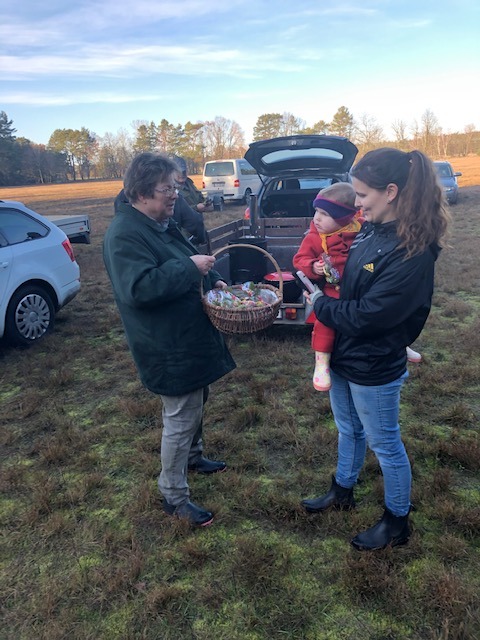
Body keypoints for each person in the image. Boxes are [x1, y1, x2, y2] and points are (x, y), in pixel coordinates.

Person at [301, 148, 449, 551]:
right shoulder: (370, 230)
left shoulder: (411, 251)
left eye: (363, 195)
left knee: (384, 444)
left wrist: (321, 305)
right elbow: (353, 285)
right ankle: (342, 490)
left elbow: (372, 315)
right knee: (348, 429)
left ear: (391, 192)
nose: (358, 204)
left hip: (375, 362)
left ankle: (397, 521)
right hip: (345, 352)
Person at [104, 152, 236, 527]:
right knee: (180, 416)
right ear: (142, 192)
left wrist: (213, 280)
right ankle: (173, 496)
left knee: (197, 399)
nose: (175, 194)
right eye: (167, 188)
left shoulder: (160, 222)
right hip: (166, 343)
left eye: (175, 187)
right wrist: (189, 269)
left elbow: (188, 256)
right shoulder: (124, 234)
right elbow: (139, 288)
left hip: (188, 334)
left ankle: (193, 457)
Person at [293, 183, 361, 392]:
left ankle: (400, 346)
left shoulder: (361, 230)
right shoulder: (314, 237)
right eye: (316, 211)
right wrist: (313, 266)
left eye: (325, 214)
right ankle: (321, 362)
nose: (317, 218)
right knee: (325, 323)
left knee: (376, 314)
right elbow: (300, 260)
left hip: (358, 289)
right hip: (333, 291)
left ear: (344, 217)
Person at [114, 186, 207, 246]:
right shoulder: (124, 235)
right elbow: (196, 222)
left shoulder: (121, 198)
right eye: (166, 190)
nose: (175, 196)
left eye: (174, 188)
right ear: (142, 196)